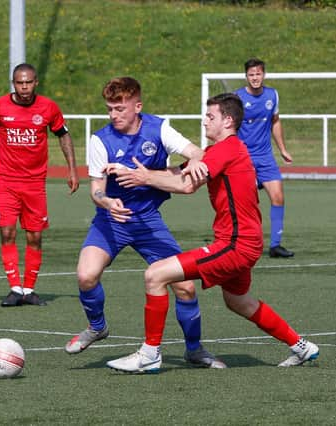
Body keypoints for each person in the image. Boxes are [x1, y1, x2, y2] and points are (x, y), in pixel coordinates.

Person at [106, 93, 319, 373]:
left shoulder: (226, 150)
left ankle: (149, 355)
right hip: (245, 242)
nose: (204, 121)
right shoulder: (221, 151)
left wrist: (144, 177)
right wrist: (134, 171)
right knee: (238, 301)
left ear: (227, 120)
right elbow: (176, 173)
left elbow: (185, 185)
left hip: (236, 245)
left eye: (210, 116)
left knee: (155, 274)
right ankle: (302, 346)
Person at [64, 76, 225, 369]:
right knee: (86, 275)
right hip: (110, 221)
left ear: (137, 106)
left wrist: (196, 163)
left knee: (186, 287)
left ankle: (194, 349)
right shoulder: (100, 139)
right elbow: (96, 188)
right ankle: (97, 327)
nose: (113, 115)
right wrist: (107, 202)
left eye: (120, 109)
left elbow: (195, 153)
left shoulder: (158, 128)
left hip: (148, 221)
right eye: (109, 109)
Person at [0, 63, 80, 307]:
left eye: (28, 82)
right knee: (7, 232)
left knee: (34, 236)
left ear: (36, 82)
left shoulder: (48, 107)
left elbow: (63, 135)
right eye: (19, 82)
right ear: (13, 83)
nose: (24, 87)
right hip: (5, 181)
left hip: (35, 183)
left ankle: (29, 289)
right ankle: (14, 288)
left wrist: (72, 168)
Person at [235, 58, 294, 258]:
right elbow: (230, 129)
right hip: (244, 159)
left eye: (258, 74)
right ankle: (244, 243)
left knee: (278, 197)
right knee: (247, 203)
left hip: (266, 158)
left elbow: (275, 122)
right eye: (251, 75)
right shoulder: (238, 98)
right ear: (246, 77)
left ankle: (275, 245)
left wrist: (283, 150)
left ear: (263, 75)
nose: (255, 78)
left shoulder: (272, 95)